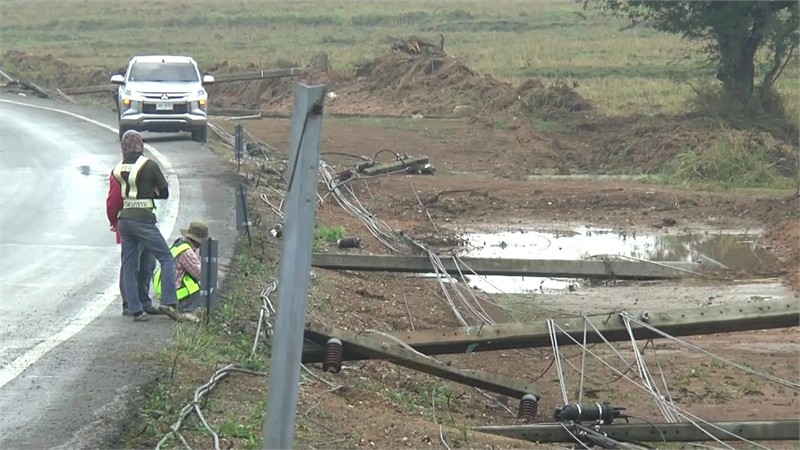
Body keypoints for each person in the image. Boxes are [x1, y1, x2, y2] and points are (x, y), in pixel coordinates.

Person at [113, 130, 180, 322]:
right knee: (166, 257)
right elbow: (165, 192)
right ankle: (168, 301)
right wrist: (153, 194)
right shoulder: (149, 166)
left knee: (129, 265)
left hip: (124, 220)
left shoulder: (119, 168)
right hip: (143, 220)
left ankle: (135, 309)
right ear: (140, 146)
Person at [106, 171, 161, 316]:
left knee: (146, 264)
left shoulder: (144, 168)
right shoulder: (121, 172)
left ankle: (143, 302)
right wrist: (114, 221)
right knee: (132, 265)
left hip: (146, 222)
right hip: (132, 224)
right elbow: (114, 200)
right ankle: (131, 304)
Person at [153, 220, 210, 323]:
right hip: (178, 296)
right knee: (207, 289)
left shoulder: (178, 244)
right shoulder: (187, 252)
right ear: (197, 240)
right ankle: (185, 313)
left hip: (166, 294)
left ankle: (174, 308)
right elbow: (201, 275)